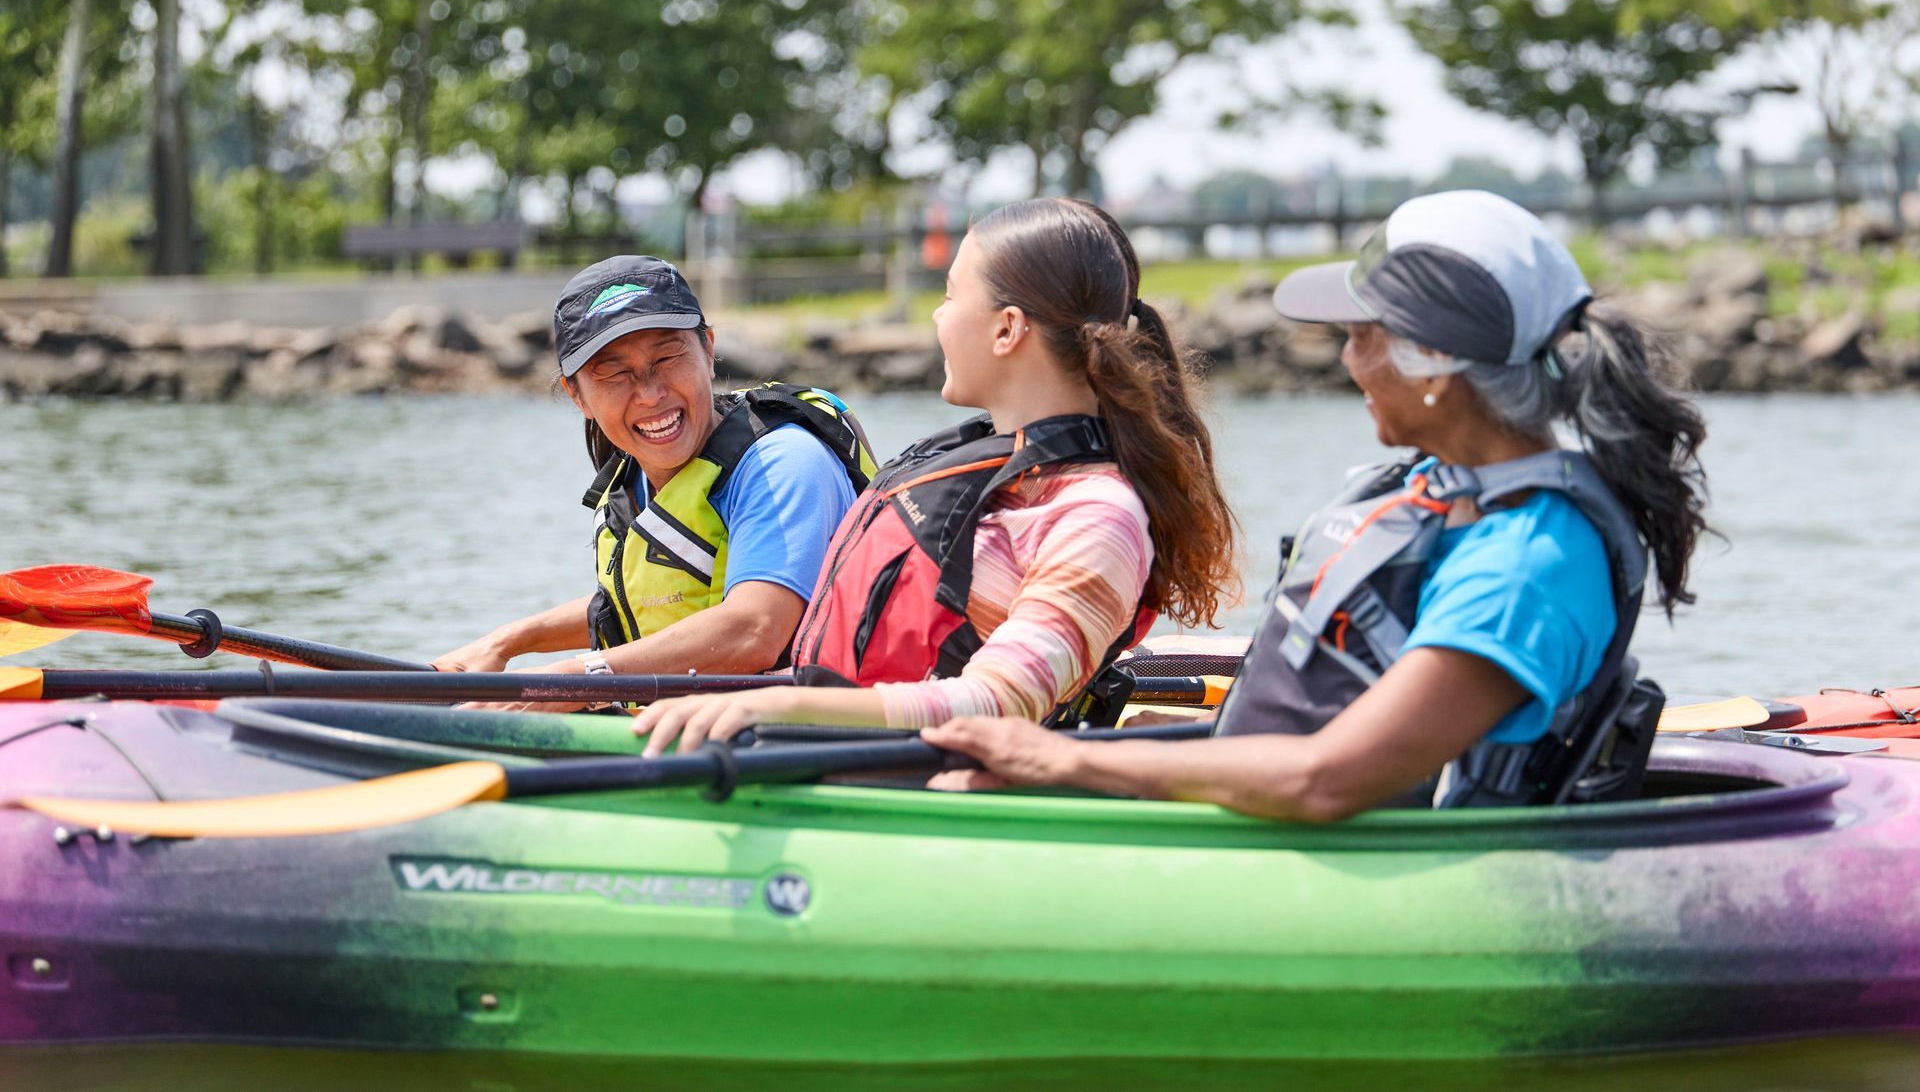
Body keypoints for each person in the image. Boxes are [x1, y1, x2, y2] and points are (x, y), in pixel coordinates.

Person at [922, 190, 1707, 819]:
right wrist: (1169, 754)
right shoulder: (1447, 493)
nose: (1345, 358)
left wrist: (1064, 760)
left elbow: (1327, 779)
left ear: (1431, 359)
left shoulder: (1529, 563)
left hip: (1399, 883)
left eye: (1363, 335)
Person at [631, 198, 1238, 753]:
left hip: (922, 790)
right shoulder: (1000, 473)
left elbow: (1000, 703)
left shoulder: (1097, 513)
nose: (936, 316)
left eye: (950, 295)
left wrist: (776, 704)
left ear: (1007, 329)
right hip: (834, 757)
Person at [432, 254, 875, 702]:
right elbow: (643, 605)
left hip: (793, 740)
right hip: (684, 730)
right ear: (576, 395)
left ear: (708, 350)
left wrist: (572, 680)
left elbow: (753, 629)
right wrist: (507, 642)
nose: (650, 394)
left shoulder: (785, 461)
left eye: (667, 357)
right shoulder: (638, 478)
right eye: (614, 373)